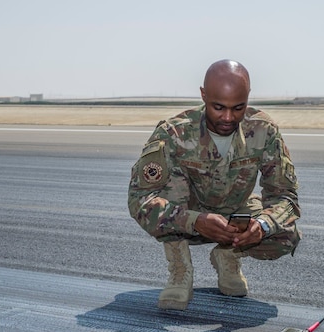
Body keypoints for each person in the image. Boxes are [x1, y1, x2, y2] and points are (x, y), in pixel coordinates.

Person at [128, 59, 301, 310]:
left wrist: (262, 225)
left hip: (236, 217)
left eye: (238, 108)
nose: (228, 117)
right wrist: (193, 220)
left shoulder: (264, 130)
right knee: (167, 197)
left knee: (285, 234)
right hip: (188, 217)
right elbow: (139, 199)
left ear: (248, 98)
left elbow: (285, 195)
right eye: (218, 107)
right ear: (203, 95)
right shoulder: (173, 133)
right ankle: (180, 267)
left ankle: (228, 254)